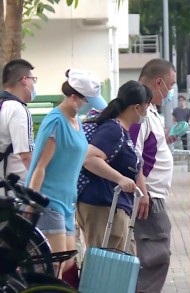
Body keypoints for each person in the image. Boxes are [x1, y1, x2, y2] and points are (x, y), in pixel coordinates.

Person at [26, 69, 107, 283]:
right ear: (74, 98)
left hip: (67, 202)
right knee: (54, 264)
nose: (89, 106)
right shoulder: (56, 122)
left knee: (67, 262)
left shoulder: (77, 121)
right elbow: (40, 166)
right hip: (48, 201)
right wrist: (31, 205)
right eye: (86, 101)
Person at [76, 81, 151, 253]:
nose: (146, 111)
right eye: (146, 106)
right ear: (137, 107)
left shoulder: (121, 131)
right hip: (103, 207)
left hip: (113, 206)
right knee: (105, 269)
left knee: (120, 265)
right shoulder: (113, 130)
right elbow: (89, 158)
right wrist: (120, 179)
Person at [130, 58, 175, 293]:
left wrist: (166, 140)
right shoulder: (140, 111)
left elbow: (147, 148)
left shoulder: (151, 111)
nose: (171, 91)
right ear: (159, 82)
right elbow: (133, 154)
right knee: (156, 257)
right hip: (149, 198)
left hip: (153, 195)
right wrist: (143, 192)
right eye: (171, 84)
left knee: (155, 257)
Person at [0, 59, 36, 183]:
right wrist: (41, 183)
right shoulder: (18, 109)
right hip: (13, 191)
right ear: (25, 80)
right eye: (33, 79)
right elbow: (26, 156)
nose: (34, 85)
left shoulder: (3, 105)